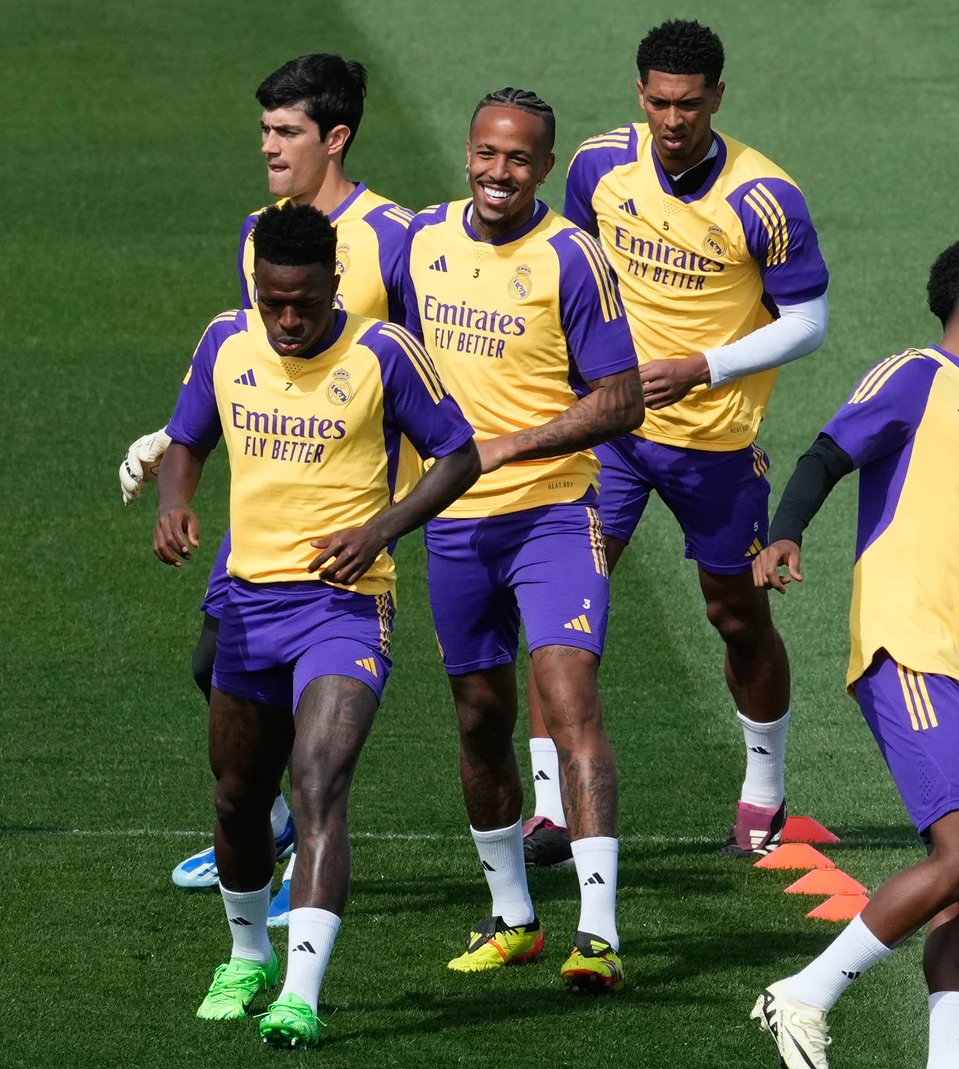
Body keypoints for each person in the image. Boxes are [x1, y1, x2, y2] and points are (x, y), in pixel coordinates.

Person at [154, 202, 480, 1046]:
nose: (289, 319)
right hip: (247, 604)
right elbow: (189, 434)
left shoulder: (383, 353)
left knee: (321, 778)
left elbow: (460, 452)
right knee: (235, 797)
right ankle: (246, 953)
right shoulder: (226, 339)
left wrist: (383, 527)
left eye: (303, 301)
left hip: (345, 601)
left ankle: (300, 992)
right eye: (273, 301)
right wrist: (175, 503)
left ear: (336, 281)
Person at [115, 53, 418, 908]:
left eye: (286, 132)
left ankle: (302, 844)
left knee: (324, 704)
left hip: (351, 514)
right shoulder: (260, 230)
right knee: (217, 669)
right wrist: (172, 436)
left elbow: (428, 372)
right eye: (265, 131)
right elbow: (247, 358)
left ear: (337, 138)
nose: (270, 147)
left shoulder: (395, 235)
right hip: (264, 504)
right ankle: (275, 821)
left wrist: (399, 505)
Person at [749, 237, 959, 1069]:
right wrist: (784, 532)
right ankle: (805, 992)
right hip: (911, 646)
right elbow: (827, 453)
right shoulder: (915, 377)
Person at [540, 18, 831, 863]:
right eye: (660, 102)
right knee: (559, 605)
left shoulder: (763, 198)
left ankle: (764, 792)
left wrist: (703, 366)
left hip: (715, 443)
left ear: (718, 98)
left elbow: (808, 322)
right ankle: (554, 808)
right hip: (613, 434)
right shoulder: (599, 164)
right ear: (641, 94)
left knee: (734, 614)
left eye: (691, 105)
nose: (674, 120)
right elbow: (575, 273)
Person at [402, 88, 644, 991]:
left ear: (545, 167)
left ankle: (600, 931)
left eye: (519, 159)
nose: (499, 171)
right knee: (478, 718)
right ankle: (513, 917)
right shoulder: (421, 242)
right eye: (486, 153)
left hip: (553, 512)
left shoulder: (571, 258)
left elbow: (621, 399)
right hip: (455, 524)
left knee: (568, 692)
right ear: (467, 152)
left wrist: (507, 443)